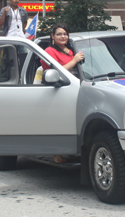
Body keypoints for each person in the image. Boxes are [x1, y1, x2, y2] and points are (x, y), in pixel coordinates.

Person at [40, 23, 84, 164]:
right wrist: (75, 60)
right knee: (58, 122)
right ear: (52, 36)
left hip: (77, 87)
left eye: (65, 34)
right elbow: (59, 70)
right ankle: (56, 153)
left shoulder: (71, 49)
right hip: (57, 88)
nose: (63, 36)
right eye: (59, 34)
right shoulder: (49, 51)